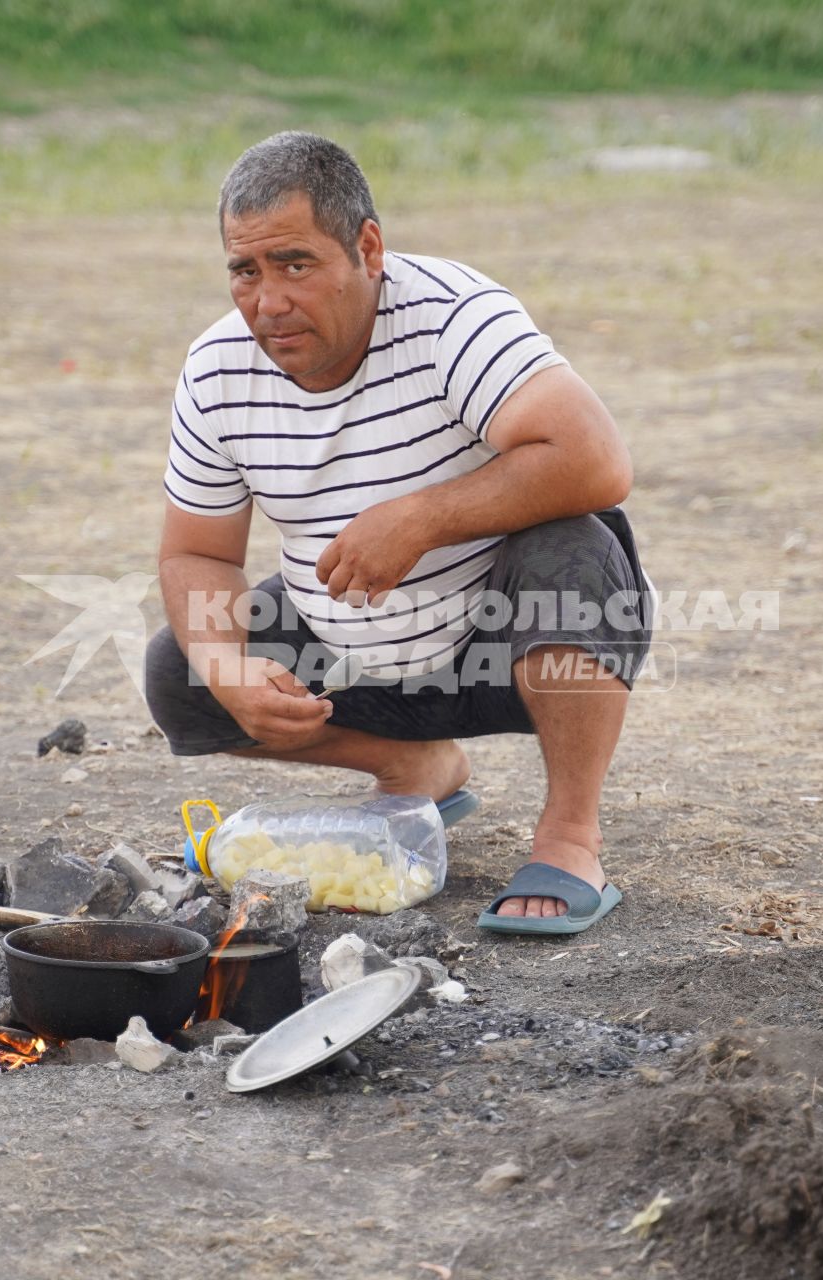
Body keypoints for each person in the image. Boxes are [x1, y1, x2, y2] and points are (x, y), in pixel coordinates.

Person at [143, 131, 652, 935]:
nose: (268, 301)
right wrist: (230, 669)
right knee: (182, 670)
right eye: (247, 270)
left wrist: (422, 516)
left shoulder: (454, 316)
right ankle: (415, 768)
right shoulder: (215, 369)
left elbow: (595, 458)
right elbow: (197, 553)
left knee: (574, 547)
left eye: (295, 263)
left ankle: (568, 835)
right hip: (354, 656)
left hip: (504, 649)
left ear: (367, 248)